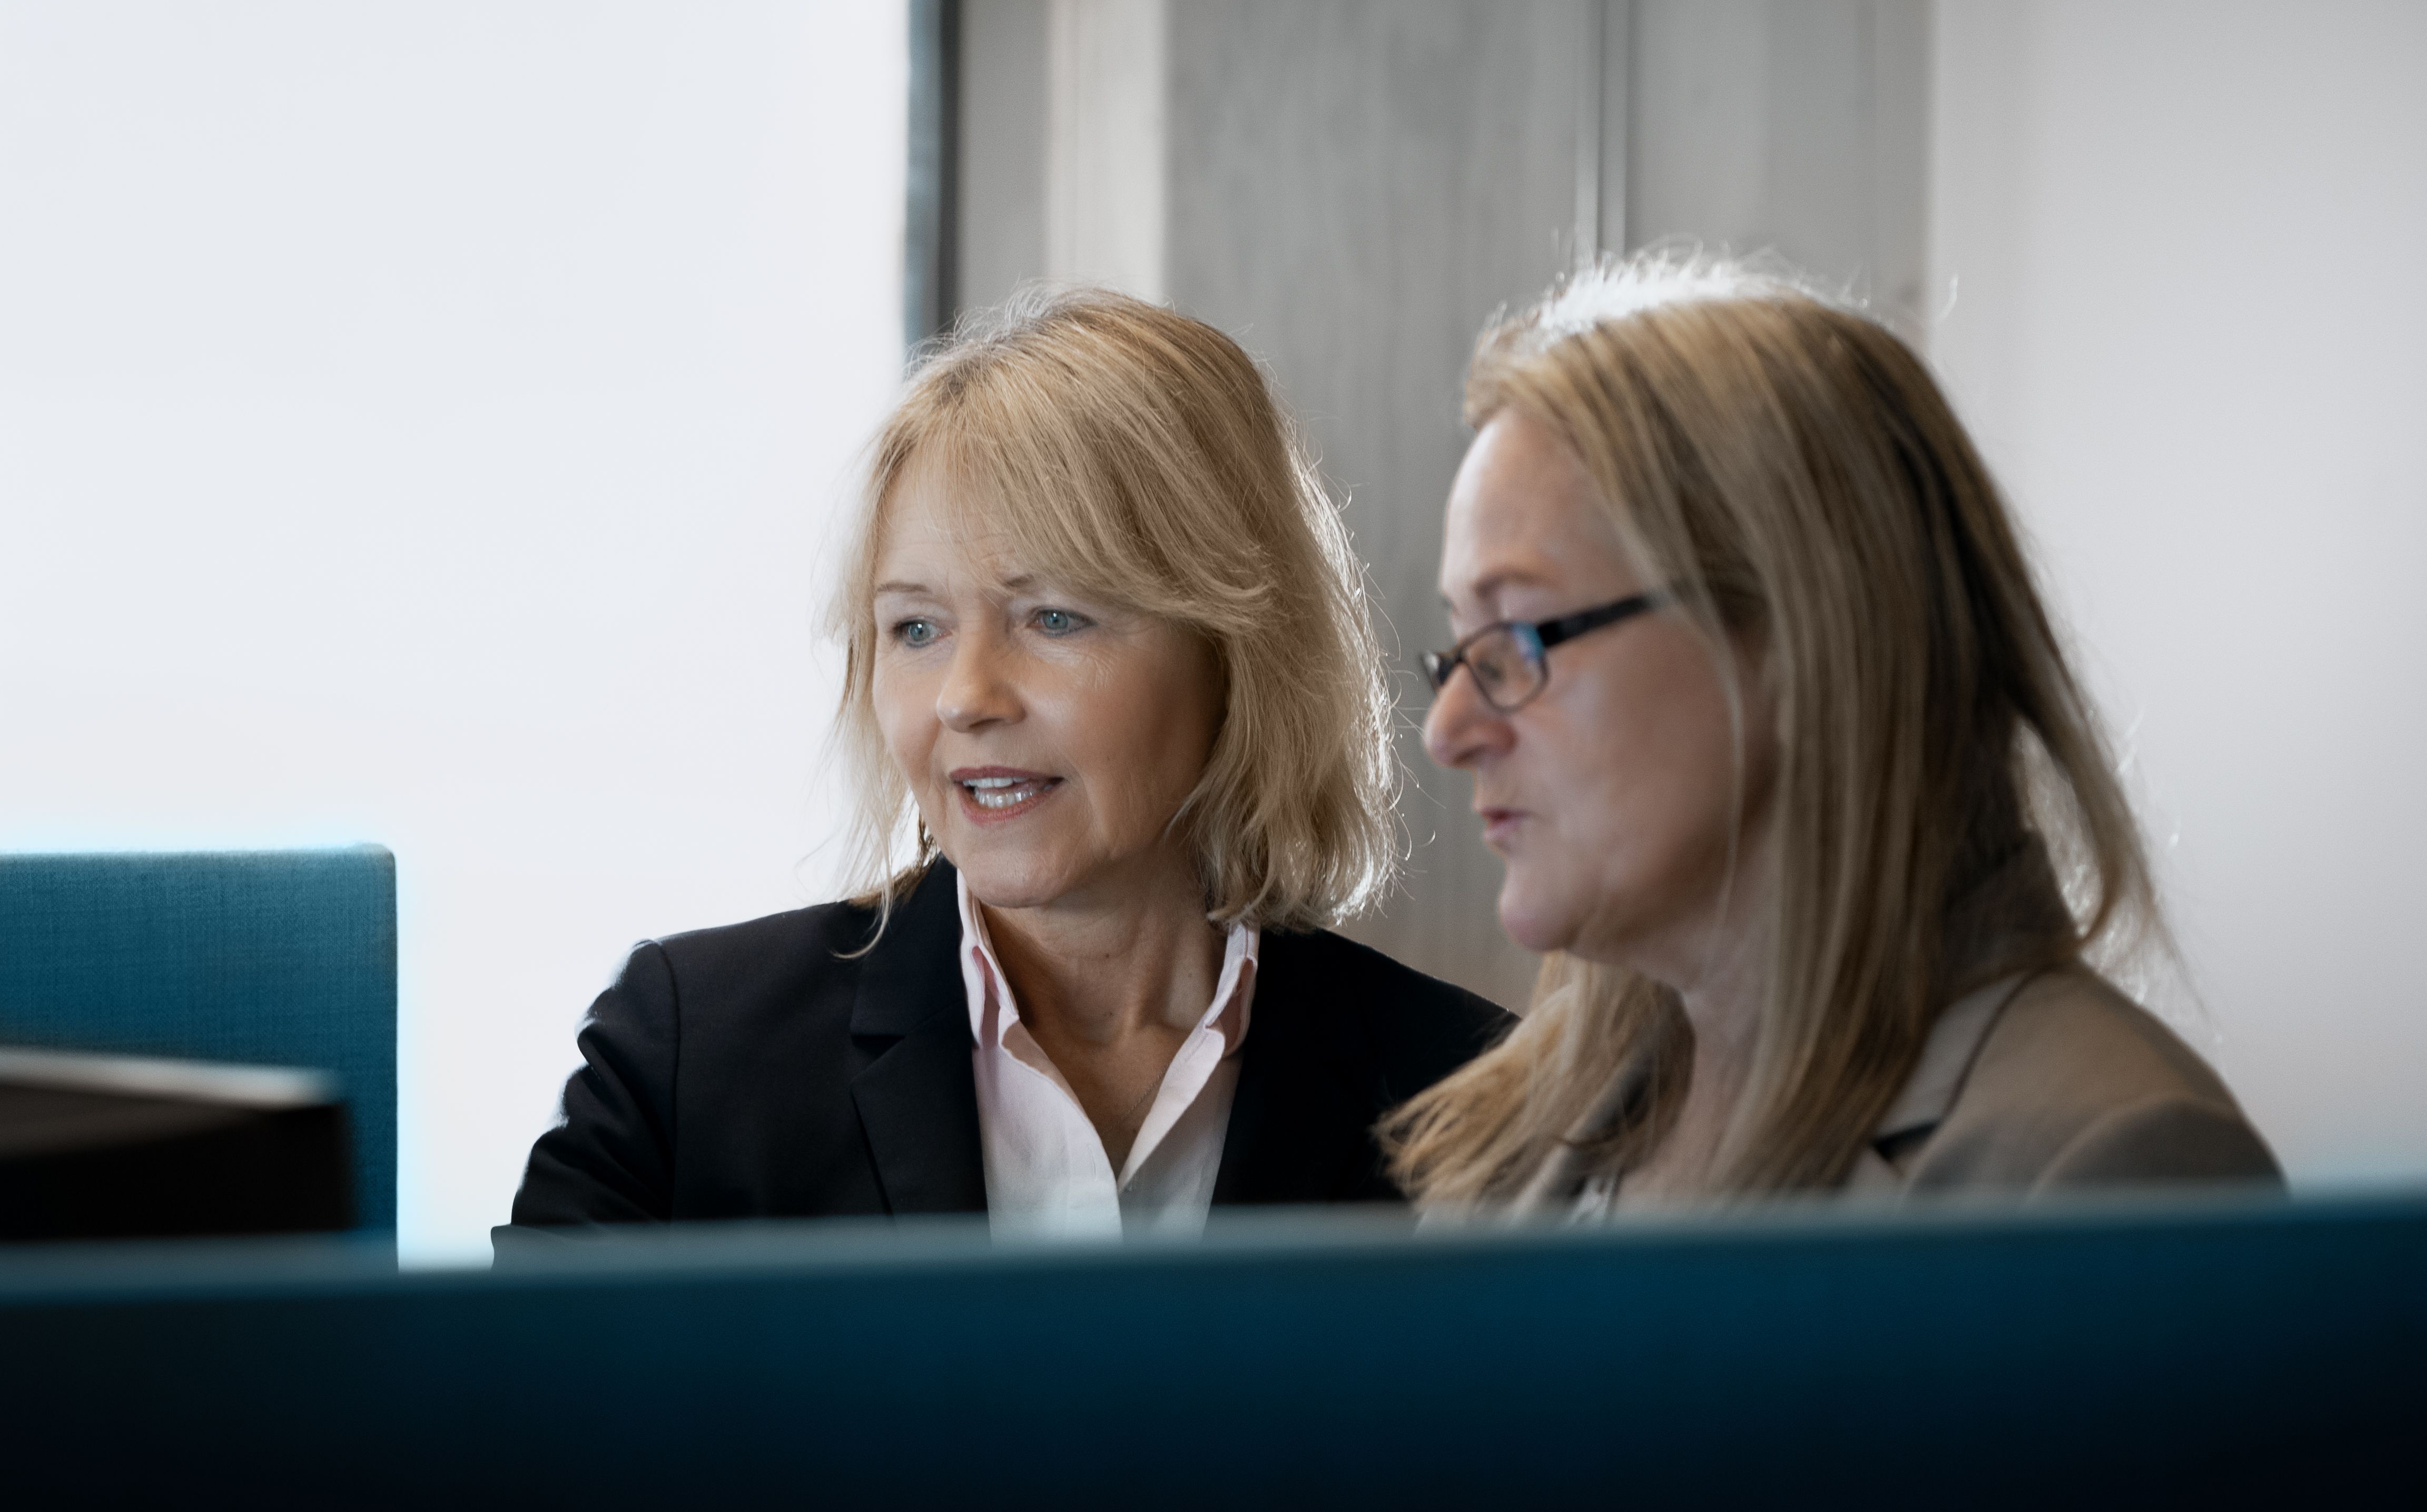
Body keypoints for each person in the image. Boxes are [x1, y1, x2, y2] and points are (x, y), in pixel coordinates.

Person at [506, 289, 1504, 1243]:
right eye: (916, 628)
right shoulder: (684, 1054)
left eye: (1054, 617)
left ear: (1233, 650)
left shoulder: (1474, 1094)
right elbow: (515, 1414)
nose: (965, 697)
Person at [1386, 255, 2278, 1213]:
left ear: (1800, 640)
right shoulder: (1524, 1125)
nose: (1449, 730)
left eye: (1518, 639)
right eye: (1459, 648)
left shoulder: (2115, 1167)